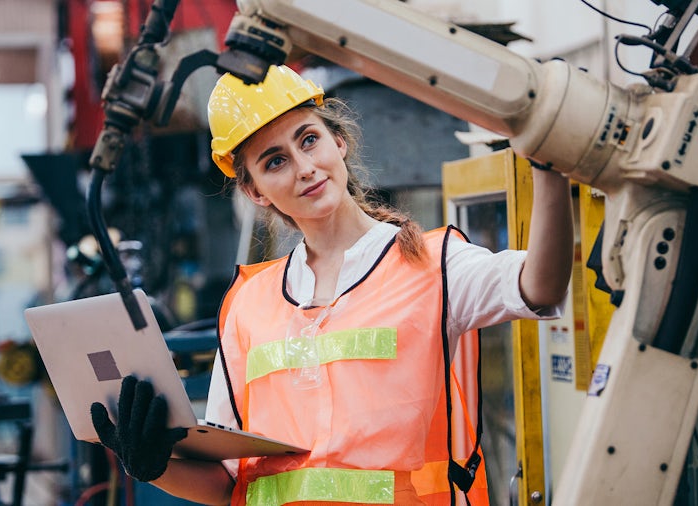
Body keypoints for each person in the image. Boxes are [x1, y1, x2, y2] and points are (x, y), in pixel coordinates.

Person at [90, 64, 574, 505]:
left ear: (337, 141)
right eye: (274, 161)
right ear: (255, 190)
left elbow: (541, 286)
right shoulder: (247, 306)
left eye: (308, 140)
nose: (304, 168)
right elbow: (227, 484)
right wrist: (150, 467)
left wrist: (549, 169)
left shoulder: (434, 265)